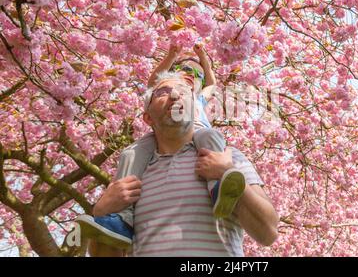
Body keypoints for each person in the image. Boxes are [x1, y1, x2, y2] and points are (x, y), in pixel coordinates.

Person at [75, 44, 247, 249]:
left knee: (212, 137)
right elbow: (153, 80)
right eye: (186, 70)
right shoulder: (164, 90)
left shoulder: (198, 98)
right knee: (131, 153)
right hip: (160, 137)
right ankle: (121, 219)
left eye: (197, 74)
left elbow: (212, 83)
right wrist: (171, 55)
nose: (191, 75)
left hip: (197, 134)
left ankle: (218, 189)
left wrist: (203, 59)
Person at [87, 74, 279, 256]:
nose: (174, 95)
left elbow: (268, 233)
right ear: (147, 117)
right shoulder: (132, 175)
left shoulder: (228, 157)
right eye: (162, 93)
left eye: (184, 91)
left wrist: (227, 173)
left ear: (194, 108)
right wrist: (101, 212)